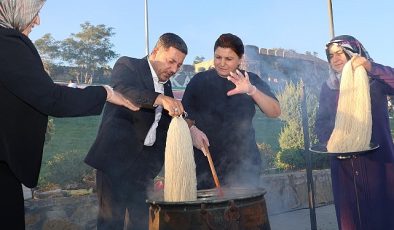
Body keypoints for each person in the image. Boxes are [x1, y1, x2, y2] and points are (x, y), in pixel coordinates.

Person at [0, 0, 139, 229]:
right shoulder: (7, 43)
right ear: (17, 8)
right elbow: (51, 98)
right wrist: (105, 93)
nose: (38, 20)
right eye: (35, 12)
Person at [85, 33, 187, 229]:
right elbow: (123, 91)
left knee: (141, 224)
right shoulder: (128, 65)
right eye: (171, 61)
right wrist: (160, 99)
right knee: (110, 224)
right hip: (114, 161)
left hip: (144, 169)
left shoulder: (167, 85)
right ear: (156, 51)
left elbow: (165, 123)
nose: (174, 69)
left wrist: (190, 128)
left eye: (179, 65)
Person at [182, 33, 281, 190]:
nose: (222, 63)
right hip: (206, 164)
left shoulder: (250, 79)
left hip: (244, 164)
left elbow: (275, 111)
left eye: (228, 59)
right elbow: (183, 117)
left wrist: (252, 90)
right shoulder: (198, 81)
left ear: (240, 59)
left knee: (244, 212)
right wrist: (191, 129)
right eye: (218, 57)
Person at [315, 35, 394, 230]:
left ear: (354, 52)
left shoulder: (375, 81)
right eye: (331, 55)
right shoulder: (329, 87)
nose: (335, 58)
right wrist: (331, 140)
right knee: (351, 220)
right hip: (344, 166)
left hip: (378, 161)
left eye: (340, 52)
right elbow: (321, 121)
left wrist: (370, 67)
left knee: (383, 216)